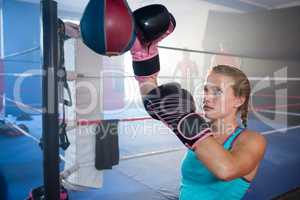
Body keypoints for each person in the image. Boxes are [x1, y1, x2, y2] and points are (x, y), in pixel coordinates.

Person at [130, 4, 266, 200]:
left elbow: (226, 169)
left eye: (217, 91)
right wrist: (144, 58)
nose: (207, 96)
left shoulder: (253, 140)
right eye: (205, 89)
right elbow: (153, 102)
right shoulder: (203, 132)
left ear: (239, 99)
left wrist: (184, 117)